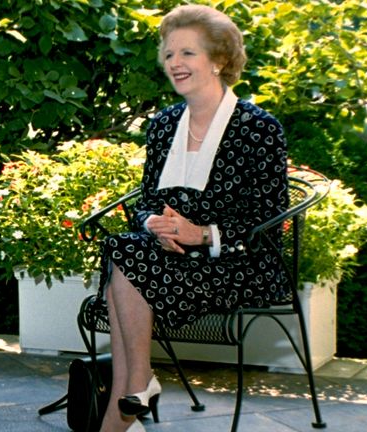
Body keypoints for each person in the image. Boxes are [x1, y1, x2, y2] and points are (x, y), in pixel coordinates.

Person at [97, 5, 289, 432]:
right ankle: (137, 385)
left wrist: (201, 234)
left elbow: (269, 219)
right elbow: (146, 202)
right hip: (164, 259)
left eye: (187, 53)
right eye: (168, 54)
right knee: (126, 248)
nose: (174, 64)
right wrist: (153, 225)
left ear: (219, 60)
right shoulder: (163, 125)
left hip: (236, 264)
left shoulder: (258, 127)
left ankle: (136, 387)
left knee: (122, 259)